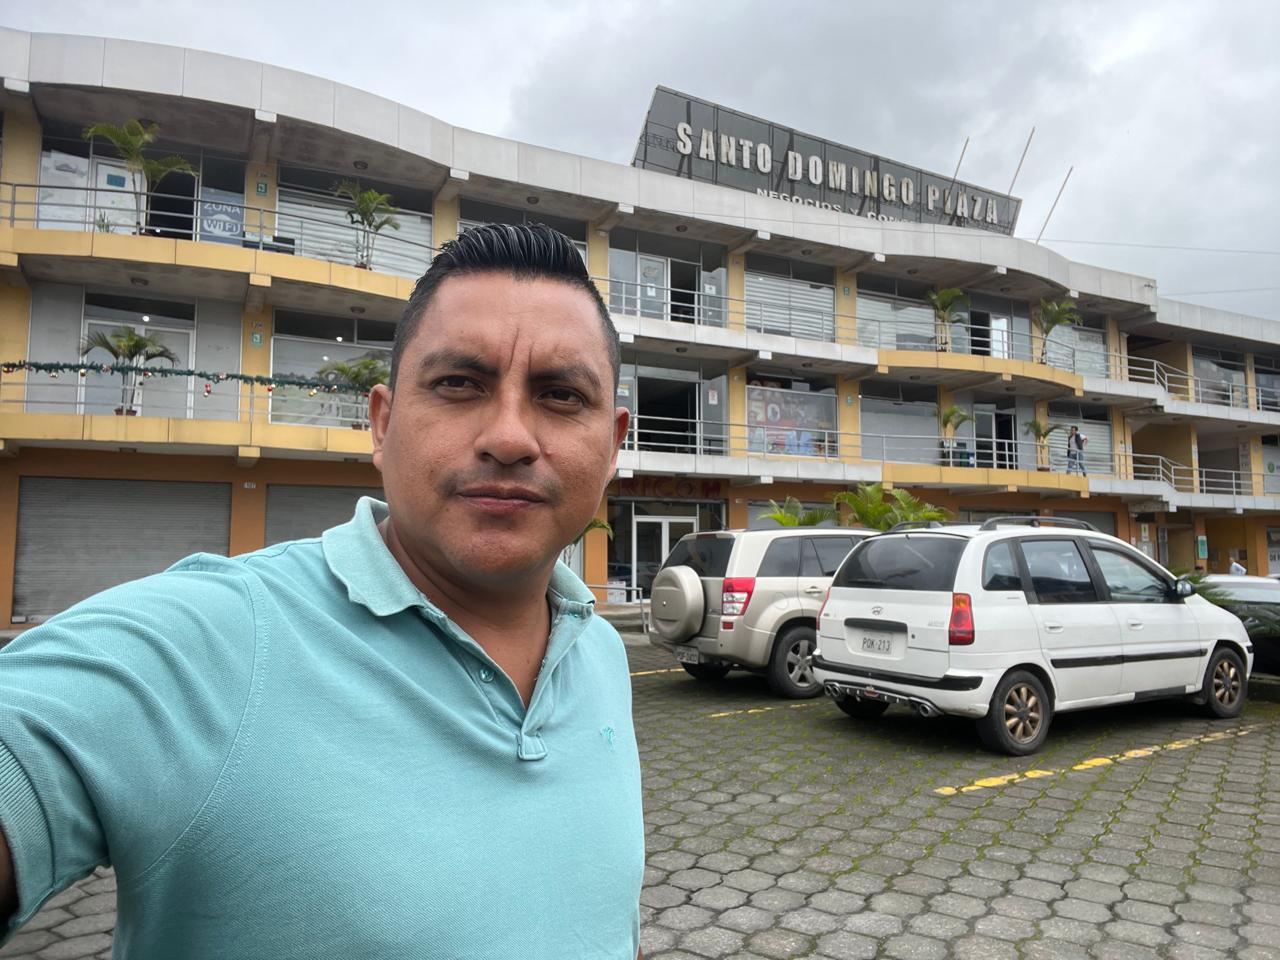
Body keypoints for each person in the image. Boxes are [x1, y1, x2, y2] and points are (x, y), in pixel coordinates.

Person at [0, 224, 644, 959]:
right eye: (459, 384)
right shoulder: (210, 642)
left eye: (560, 395)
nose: (509, 437)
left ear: (612, 443)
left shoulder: (599, 652)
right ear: (382, 423)